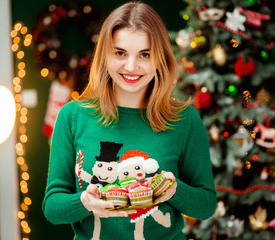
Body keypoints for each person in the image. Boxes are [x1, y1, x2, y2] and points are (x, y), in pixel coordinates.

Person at [42, 2, 217, 240]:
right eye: (120, 53)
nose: (131, 66)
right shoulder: (72, 116)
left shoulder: (185, 119)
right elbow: (53, 207)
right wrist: (84, 201)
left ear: (159, 59)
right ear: (105, 55)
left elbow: (206, 206)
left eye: (144, 54)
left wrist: (174, 190)